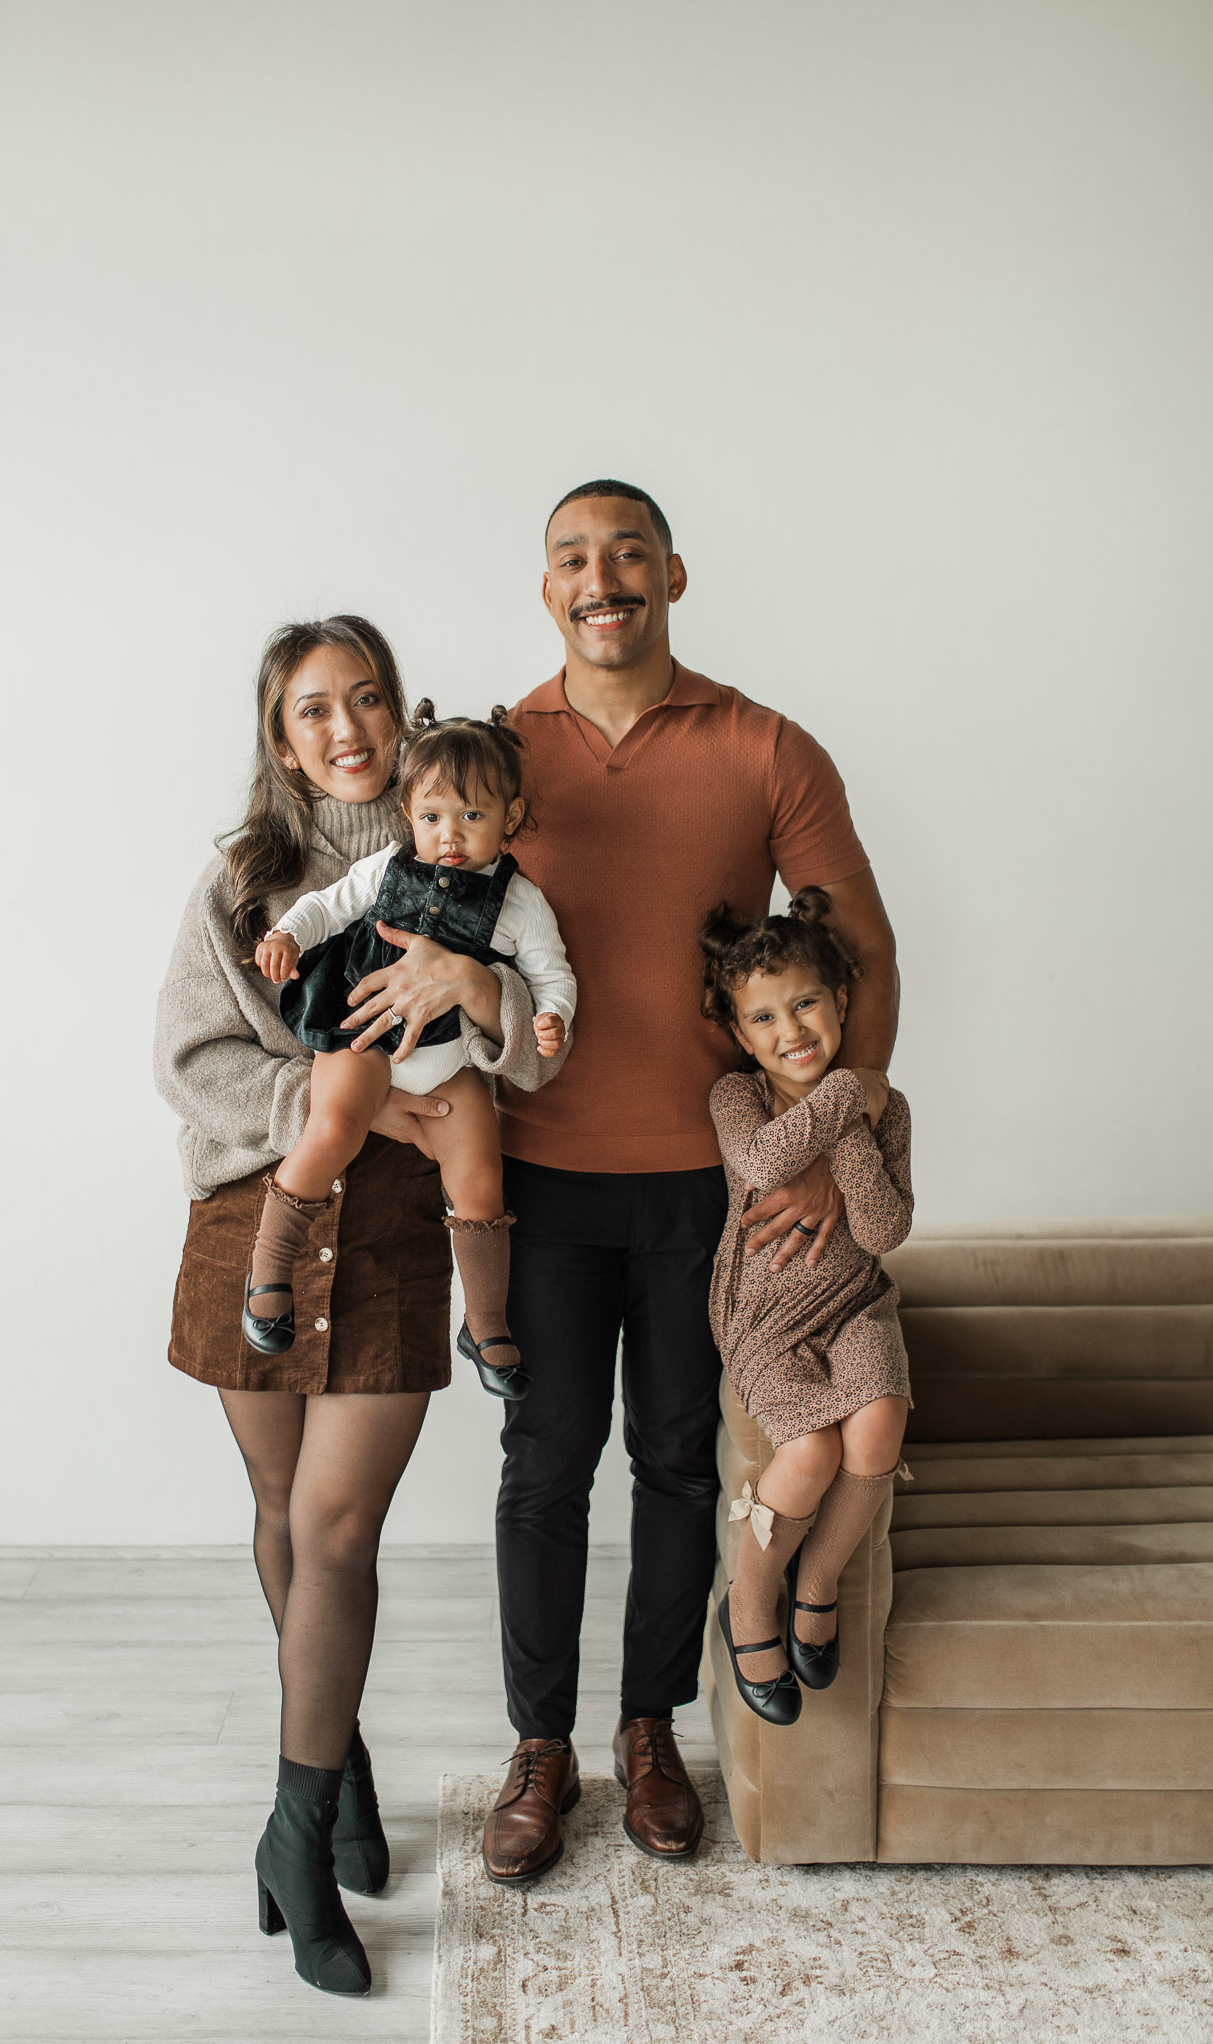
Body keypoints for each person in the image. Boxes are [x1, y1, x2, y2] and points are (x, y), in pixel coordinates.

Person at [480, 480, 900, 1884]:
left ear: (673, 573)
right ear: (548, 589)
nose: (602, 579)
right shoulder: (498, 749)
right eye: (572, 560)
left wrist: (840, 1147)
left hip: (712, 1199)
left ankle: (648, 1731)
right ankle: (540, 1750)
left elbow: (867, 953)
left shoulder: (763, 744)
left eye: (627, 555)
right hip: (536, 1176)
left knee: (672, 1463)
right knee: (544, 1470)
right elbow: (420, 900)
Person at [154, 616, 560, 1997]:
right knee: (278, 1518)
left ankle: (292, 1831)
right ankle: (331, 1760)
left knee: (336, 1527)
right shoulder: (243, 882)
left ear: (401, 713)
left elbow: (529, 1074)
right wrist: (346, 1104)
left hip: (393, 1237)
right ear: (280, 739)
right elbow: (191, 1061)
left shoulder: (470, 853)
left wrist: (486, 989)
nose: (345, 729)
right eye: (312, 711)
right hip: (258, 1217)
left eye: (367, 699)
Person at [245, 702, 576, 1400]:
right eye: (431, 818)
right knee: (330, 1126)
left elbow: (552, 973)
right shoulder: (383, 869)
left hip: (450, 1056)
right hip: (360, 1034)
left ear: (510, 818)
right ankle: (270, 1269)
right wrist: (286, 939)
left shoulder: (518, 902)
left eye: (471, 818)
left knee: (481, 1176)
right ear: (408, 813)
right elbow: (324, 907)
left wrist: (550, 1016)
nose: (448, 836)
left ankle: (484, 1323)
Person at [699, 890, 912, 1728]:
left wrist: (859, 1120)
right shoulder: (737, 1100)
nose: (790, 1032)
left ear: (842, 1002)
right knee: (810, 1451)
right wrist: (847, 1091)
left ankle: (815, 1582)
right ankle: (749, 1600)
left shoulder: (883, 1113)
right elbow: (762, 1158)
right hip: (763, 1317)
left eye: (806, 1004)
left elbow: (885, 1226)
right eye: (763, 1019)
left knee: (878, 1419)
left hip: (857, 1301)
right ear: (740, 1035)